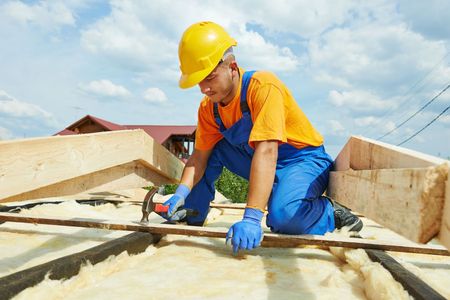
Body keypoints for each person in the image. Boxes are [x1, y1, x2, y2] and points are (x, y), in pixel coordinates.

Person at [163, 21, 362, 254]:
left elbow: (267, 149)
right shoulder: (209, 108)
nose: (203, 88)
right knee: (213, 149)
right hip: (260, 158)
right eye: (199, 81)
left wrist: (252, 217)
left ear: (232, 67)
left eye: (210, 78)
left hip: (302, 160)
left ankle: (329, 213)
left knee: (283, 217)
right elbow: (198, 157)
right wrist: (180, 193)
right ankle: (190, 213)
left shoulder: (263, 87)